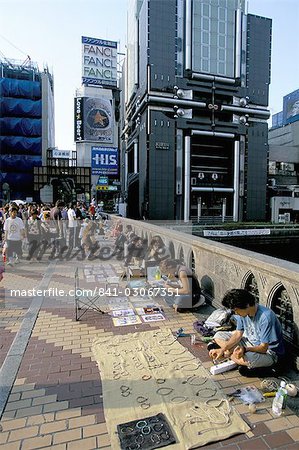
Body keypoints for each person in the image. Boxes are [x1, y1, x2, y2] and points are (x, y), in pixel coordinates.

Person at [208, 289, 285, 375]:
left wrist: (243, 350)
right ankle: (234, 356)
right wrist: (223, 349)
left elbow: (263, 348)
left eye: (236, 310)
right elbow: (238, 334)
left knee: (249, 358)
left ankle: (231, 355)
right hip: (248, 342)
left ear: (247, 305)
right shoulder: (243, 314)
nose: (235, 313)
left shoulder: (266, 317)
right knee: (218, 335)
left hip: (268, 352)